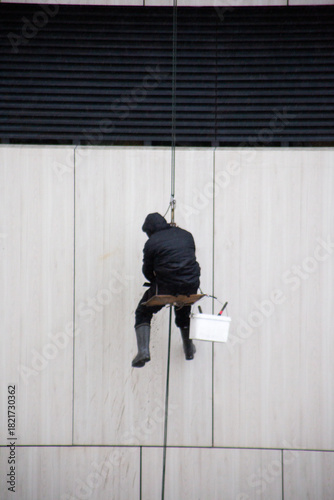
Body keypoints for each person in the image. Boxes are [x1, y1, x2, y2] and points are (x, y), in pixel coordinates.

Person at [132, 212, 201, 368]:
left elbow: (147, 271)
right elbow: (189, 258)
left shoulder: (151, 243)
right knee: (183, 307)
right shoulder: (186, 235)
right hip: (191, 285)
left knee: (143, 311)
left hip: (167, 286)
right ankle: (188, 348)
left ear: (150, 230)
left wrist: (154, 280)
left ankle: (143, 351)